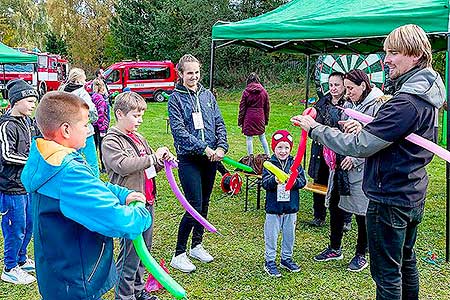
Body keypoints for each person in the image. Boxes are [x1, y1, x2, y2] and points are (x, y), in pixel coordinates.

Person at [292, 24, 445, 299]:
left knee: (387, 274)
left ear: (416, 55)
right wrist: (369, 126)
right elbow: (399, 135)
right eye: (386, 52)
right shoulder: (428, 94)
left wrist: (314, 128)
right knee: (406, 262)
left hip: (390, 198)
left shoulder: (407, 103)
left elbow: (359, 146)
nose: (386, 60)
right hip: (411, 190)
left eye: (394, 53)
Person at [20, 91, 152, 300]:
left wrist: (123, 194)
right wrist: (143, 215)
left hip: (59, 272)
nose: (89, 130)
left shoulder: (48, 157)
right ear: (65, 130)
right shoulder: (68, 173)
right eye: (84, 125)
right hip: (75, 281)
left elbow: (92, 187)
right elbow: (117, 220)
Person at [102, 91, 176, 300]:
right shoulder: (111, 141)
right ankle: (124, 296)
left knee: (144, 251)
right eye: (136, 116)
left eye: (141, 115)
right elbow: (123, 166)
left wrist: (162, 161)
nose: (140, 120)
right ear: (119, 114)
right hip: (129, 205)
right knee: (130, 255)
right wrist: (153, 157)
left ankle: (138, 290)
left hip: (147, 201)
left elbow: (149, 167)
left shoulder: (139, 138)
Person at [313, 69, 385, 273]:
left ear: (363, 86)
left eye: (351, 88)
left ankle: (361, 253)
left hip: (363, 170)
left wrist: (355, 158)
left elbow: (376, 140)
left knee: (362, 212)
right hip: (341, 166)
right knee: (336, 205)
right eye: (347, 88)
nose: (347, 92)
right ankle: (334, 248)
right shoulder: (349, 104)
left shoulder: (378, 105)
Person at [168, 54, 228, 273]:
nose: (194, 76)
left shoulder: (208, 95)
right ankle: (179, 253)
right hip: (189, 159)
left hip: (211, 159)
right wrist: (203, 148)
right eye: (189, 73)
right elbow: (180, 132)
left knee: (205, 202)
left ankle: (197, 245)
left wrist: (221, 147)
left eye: (196, 72)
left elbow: (219, 123)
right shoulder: (175, 99)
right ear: (181, 74)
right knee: (193, 204)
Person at [0, 79, 39, 284]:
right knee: (14, 227)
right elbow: (7, 155)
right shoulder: (7, 125)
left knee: (28, 224)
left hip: (26, 185)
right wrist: (32, 163)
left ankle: (22, 260)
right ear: (16, 101)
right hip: (10, 187)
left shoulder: (28, 122)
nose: (33, 104)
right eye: (30, 100)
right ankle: (9, 267)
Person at [307, 72, 352, 230]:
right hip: (321, 151)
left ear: (343, 86)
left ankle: (346, 219)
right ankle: (319, 216)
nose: (333, 88)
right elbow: (313, 123)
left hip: (340, 150)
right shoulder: (322, 103)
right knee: (319, 181)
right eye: (331, 85)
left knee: (342, 185)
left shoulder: (349, 105)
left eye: (337, 85)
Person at [262, 130, 306, 277]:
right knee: (271, 235)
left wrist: (291, 181)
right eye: (279, 147)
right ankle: (270, 260)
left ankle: (286, 258)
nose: (283, 151)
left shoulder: (295, 163)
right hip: (274, 208)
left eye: (286, 148)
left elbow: (302, 181)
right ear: (274, 148)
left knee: (289, 235)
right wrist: (274, 180)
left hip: (290, 207)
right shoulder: (269, 164)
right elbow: (265, 183)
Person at [60, 67, 100, 177]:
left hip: (69, 132)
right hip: (85, 132)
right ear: (78, 80)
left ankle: (75, 180)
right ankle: (95, 182)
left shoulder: (62, 92)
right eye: (84, 79)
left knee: (73, 159)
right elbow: (91, 112)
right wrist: (92, 119)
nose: (85, 82)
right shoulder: (82, 93)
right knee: (91, 161)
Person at [238, 72, 270, 156]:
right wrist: (266, 120)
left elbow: (242, 108)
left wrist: (240, 121)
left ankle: (250, 157)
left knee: (249, 138)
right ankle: (268, 155)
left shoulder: (246, 92)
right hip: (260, 116)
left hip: (249, 117)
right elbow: (267, 107)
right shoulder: (264, 91)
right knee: (262, 137)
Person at [91, 78, 110, 173]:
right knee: (103, 147)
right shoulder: (101, 99)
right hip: (101, 126)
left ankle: (94, 166)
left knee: (94, 146)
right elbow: (101, 115)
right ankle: (104, 167)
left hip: (93, 125)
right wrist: (102, 129)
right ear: (101, 87)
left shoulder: (92, 97)